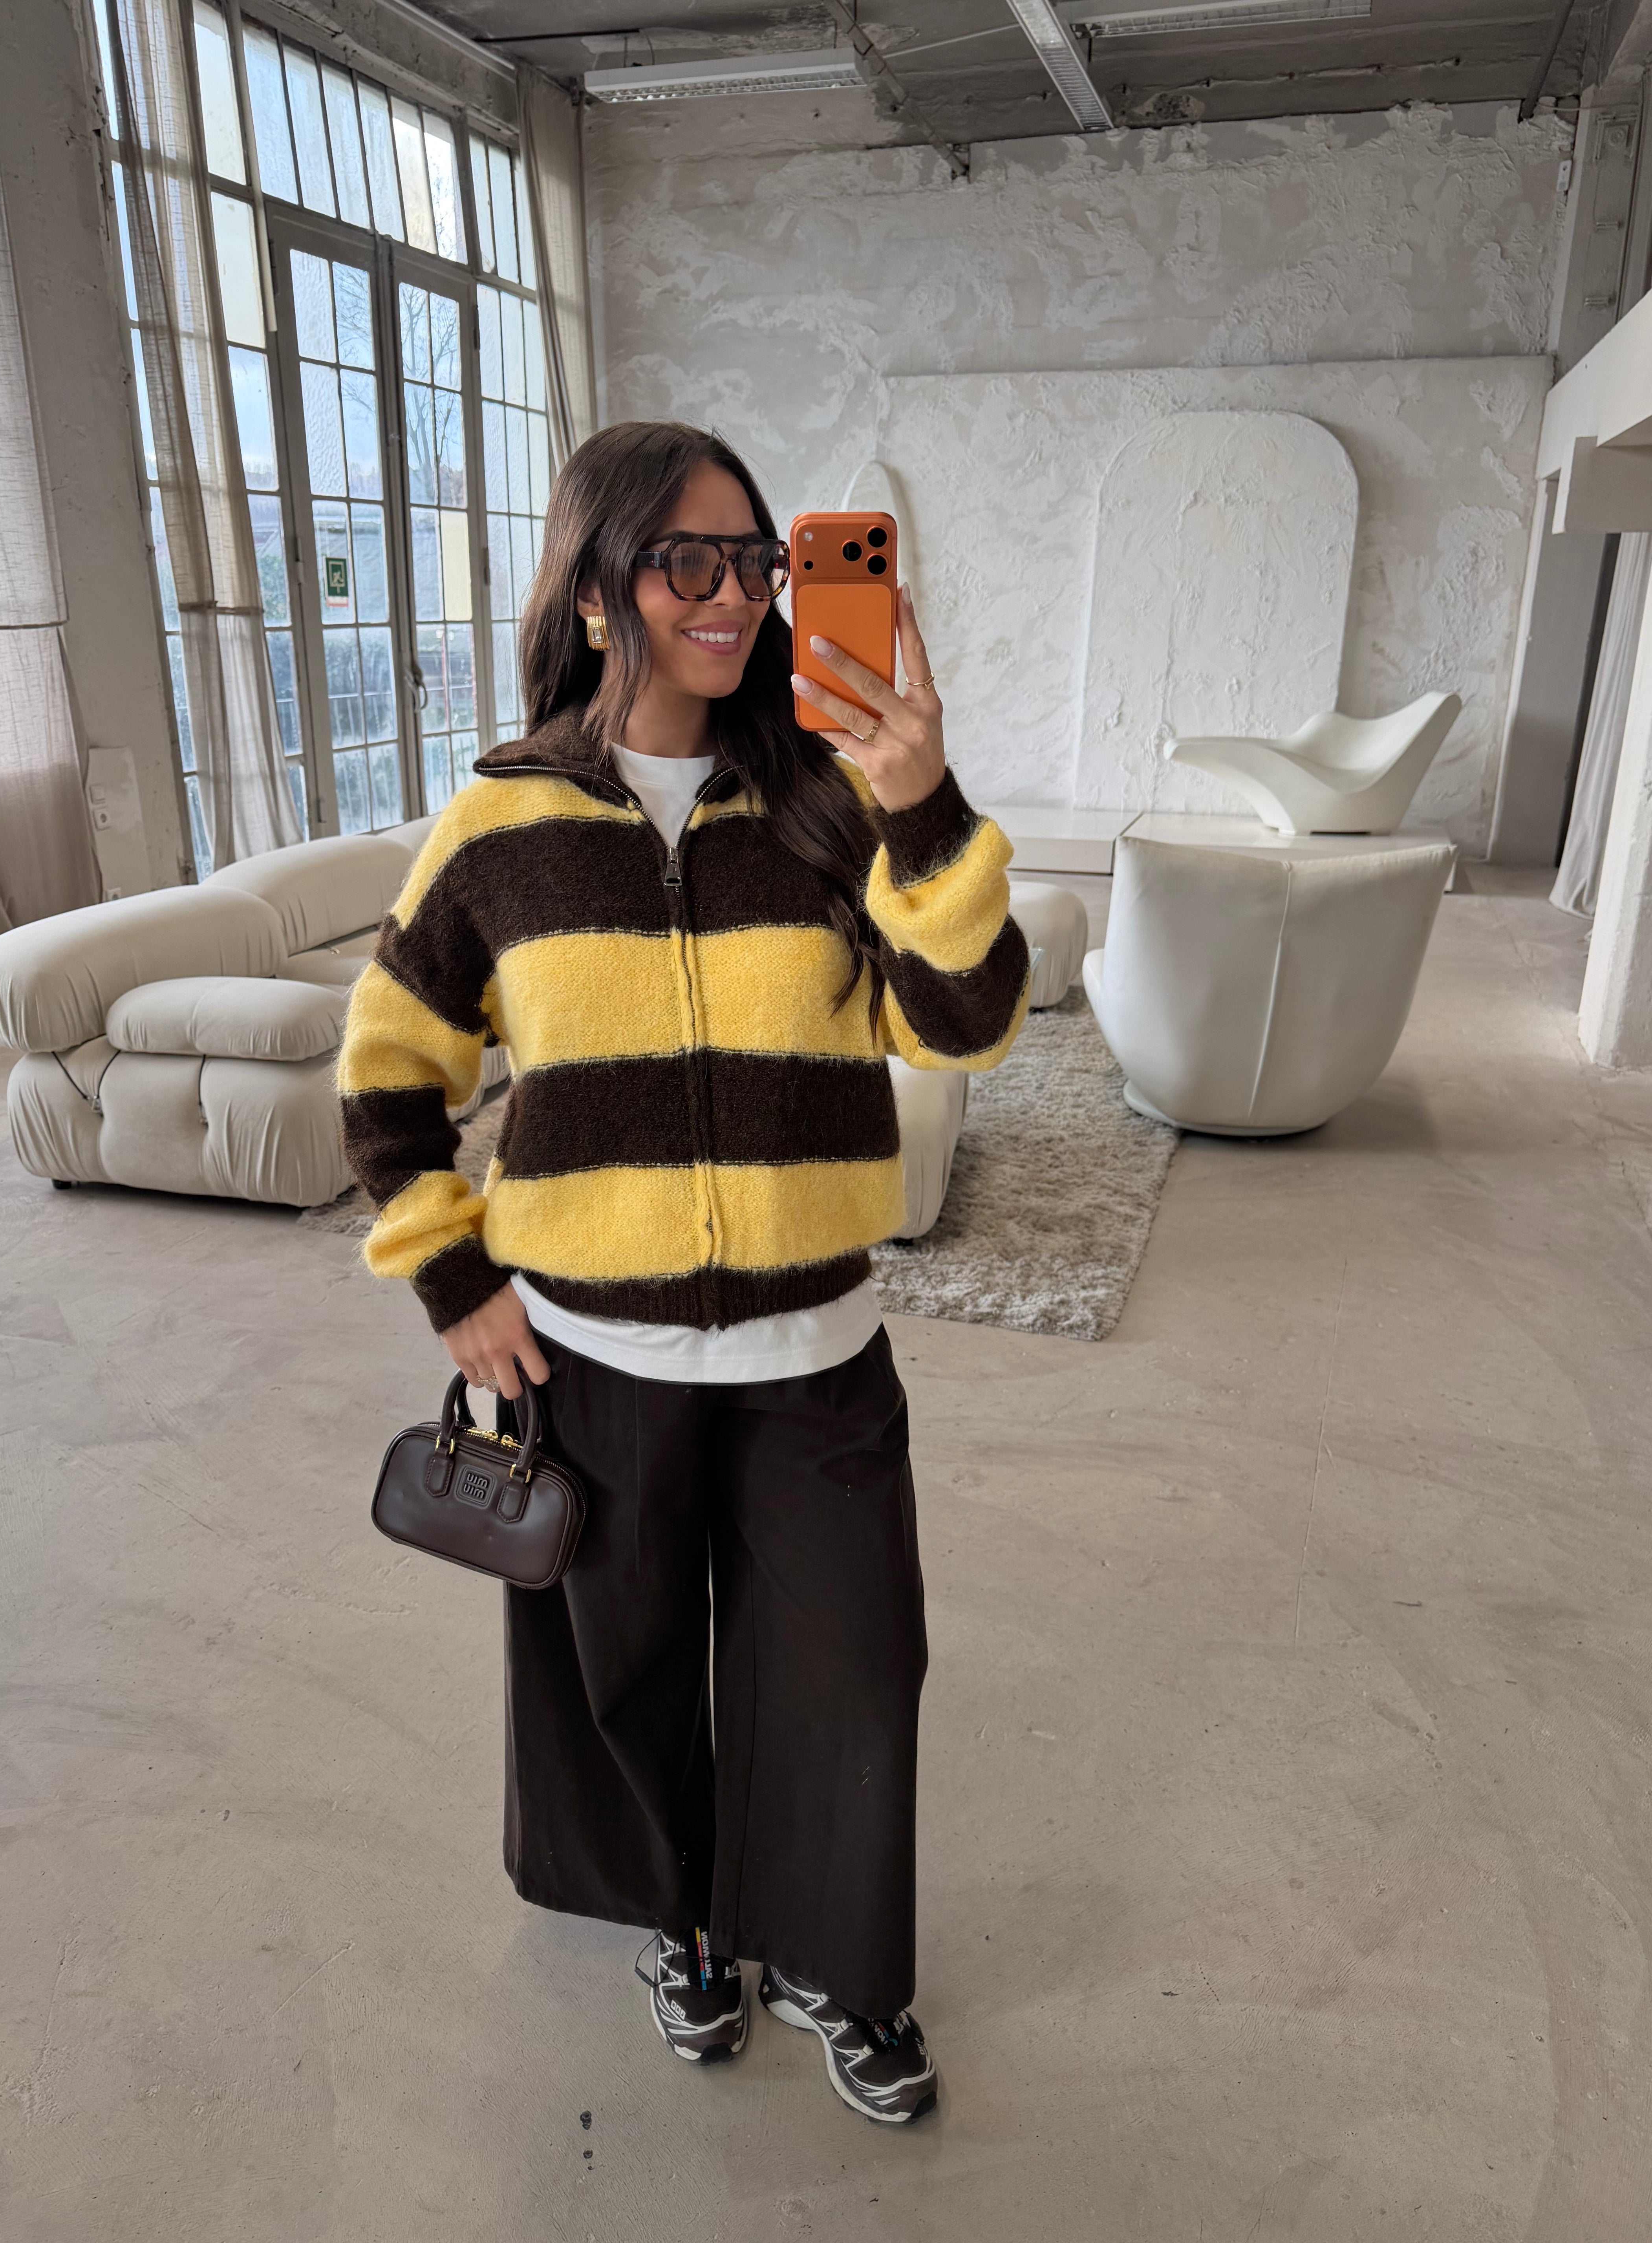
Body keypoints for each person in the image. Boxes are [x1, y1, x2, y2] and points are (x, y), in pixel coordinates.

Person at [337, 421, 1028, 2126]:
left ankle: (839, 1966)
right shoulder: (499, 825)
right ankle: (684, 1924)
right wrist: (452, 1279)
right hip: (588, 1357)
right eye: (685, 562)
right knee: (622, 1676)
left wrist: (920, 802)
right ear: (594, 590)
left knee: (850, 1674)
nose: (731, 597)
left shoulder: (826, 800)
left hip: (817, 1351)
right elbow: (388, 1069)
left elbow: (968, 1023)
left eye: (754, 562)